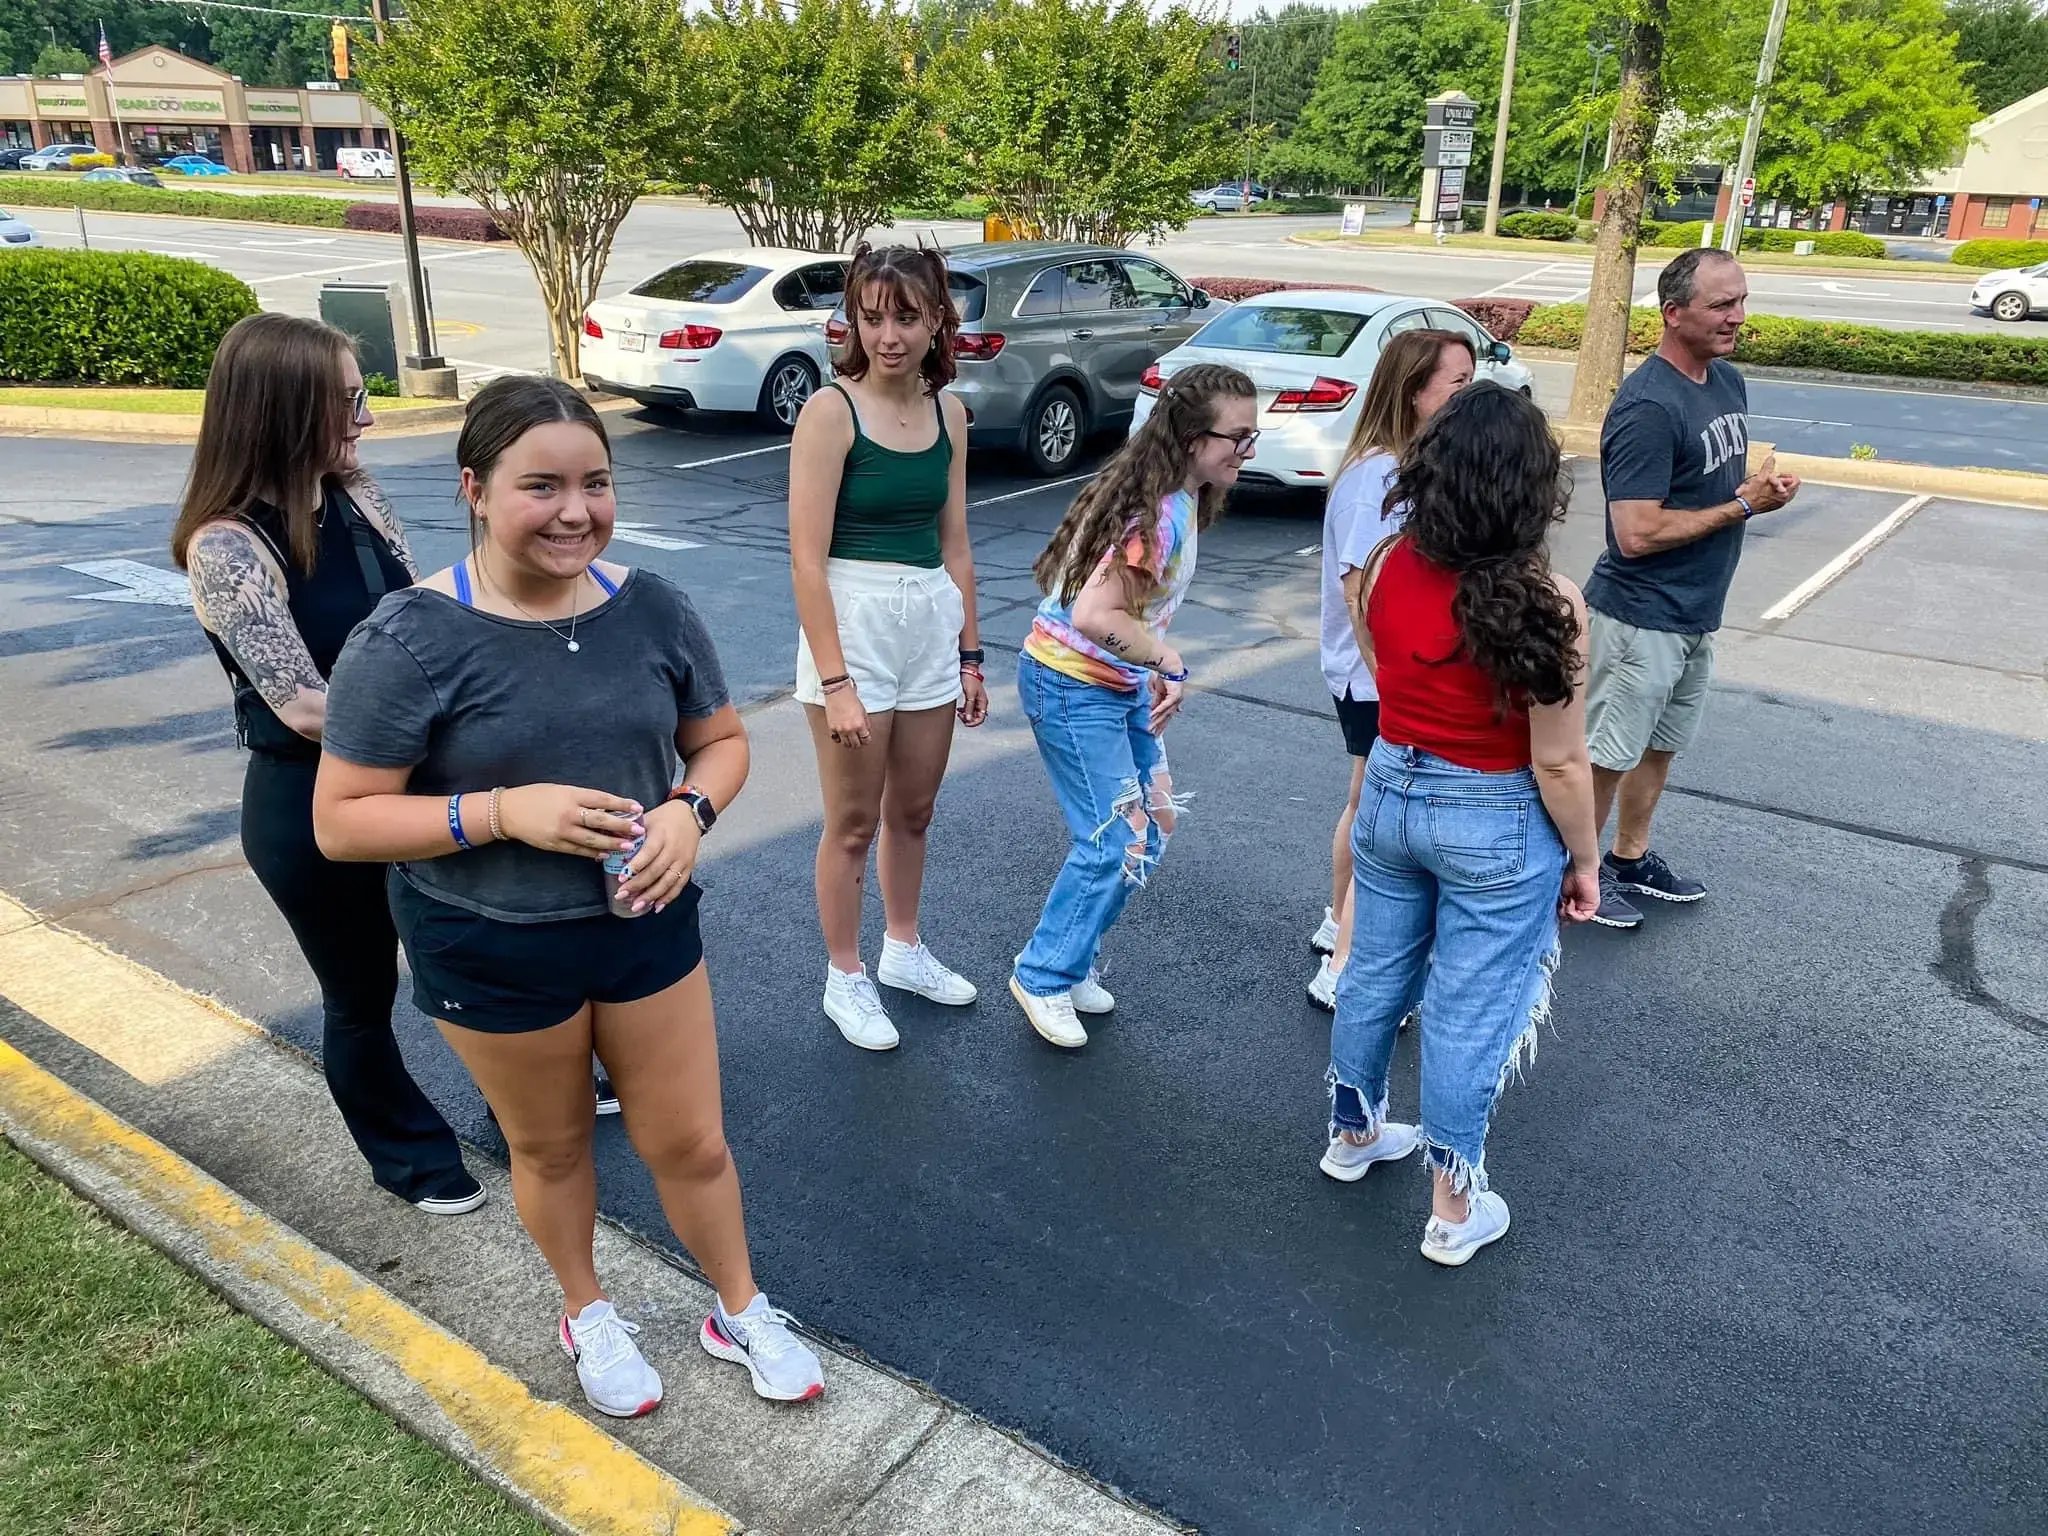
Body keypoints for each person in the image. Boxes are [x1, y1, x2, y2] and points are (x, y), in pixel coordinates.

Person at [313, 377, 824, 1417]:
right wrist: (502, 812)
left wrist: (689, 812)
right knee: (549, 1147)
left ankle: (738, 1307)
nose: (575, 511)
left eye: (596, 483)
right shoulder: (406, 638)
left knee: (690, 1141)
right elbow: (343, 820)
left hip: (642, 921)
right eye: (540, 486)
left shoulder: (654, 608)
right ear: (473, 488)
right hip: (487, 940)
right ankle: (585, 1309)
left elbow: (721, 743)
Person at [170, 313, 483, 1218]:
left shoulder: (355, 492)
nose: (367, 418)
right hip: (308, 806)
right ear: (283, 408)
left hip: (414, 774)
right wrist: (431, 723)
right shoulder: (227, 546)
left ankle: (534, 1091)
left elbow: (418, 614)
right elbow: (304, 704)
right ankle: (410, 1160)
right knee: (360, 994)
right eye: (348, 400)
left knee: (468, 949)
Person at [1320, 383, 1601, 1267]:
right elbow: (1559, 763)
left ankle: (1354, 1134)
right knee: (1469, 1011)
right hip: (1493, 812)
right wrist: (1586, 860)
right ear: (1530, 487)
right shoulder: (1547, 601)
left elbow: (1385, 671)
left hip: (1393, 787)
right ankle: (1452, 1205)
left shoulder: (1388, 562)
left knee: (1374, 974)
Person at [1010, 363, 1258, 1049]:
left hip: (1110, 684)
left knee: (1154, 826)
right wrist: (1166, 661)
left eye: (1251, 435)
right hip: (1069, 685)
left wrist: (1145, 660)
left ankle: (1070, 957)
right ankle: (1043, 974)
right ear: (1190, 437)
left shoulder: (1179, 499)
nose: (1247, 449)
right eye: (1237, 437)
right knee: (1114, 840)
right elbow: (1094, 614)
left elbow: (1122, 613)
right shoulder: (1159, 513)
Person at [788, 244, 987, 1052]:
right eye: (871, 318)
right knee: (851, 823)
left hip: (929, 620)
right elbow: (806, 560)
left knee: (914, 811)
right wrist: (836, 681)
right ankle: (845, 974)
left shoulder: (950, 415)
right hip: (854, 623)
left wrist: (971, 655)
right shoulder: (830, 411)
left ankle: (902, 949)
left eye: (906, 317)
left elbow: (957, 543)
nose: (888, 336)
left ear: (938, 319)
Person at [1583, 246, 1799, 928]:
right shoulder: (1648, 405)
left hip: (1695, 613)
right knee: (1605, 754)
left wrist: (1755, 490)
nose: (1738, 316)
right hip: (1638, 617)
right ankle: (1574, 878)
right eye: (1721, 304)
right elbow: (1635, 533)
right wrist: (1743, 506)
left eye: (1741, 300)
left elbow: (1712, 490)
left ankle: (1628, 858)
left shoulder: (1726, 381)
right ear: (1673, 313)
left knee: (1659, 746)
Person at [1308, 328, 1474, 1012]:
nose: (1468, 394)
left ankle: (1337, 923)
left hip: (1391, 676)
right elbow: (1361, 596)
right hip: (1376, 677)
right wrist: (1397, 684)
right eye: (1457, 383)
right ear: (1413, 393)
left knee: (1365, 805)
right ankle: (1344, 959)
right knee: (1375, 812)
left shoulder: (1411, 466)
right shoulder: (1375, 478)